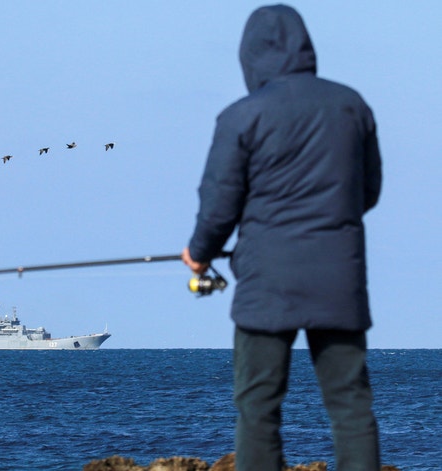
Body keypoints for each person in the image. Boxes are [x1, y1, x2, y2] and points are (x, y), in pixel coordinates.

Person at [182, 5, 382, 471]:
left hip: (266, 281)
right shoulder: (351, 105)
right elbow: (368, 191)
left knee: (258, 408)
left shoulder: (240, 116)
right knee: (350, 406)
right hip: (339, 277)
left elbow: (219, 203)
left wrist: (199, 253)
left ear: (249, 57)